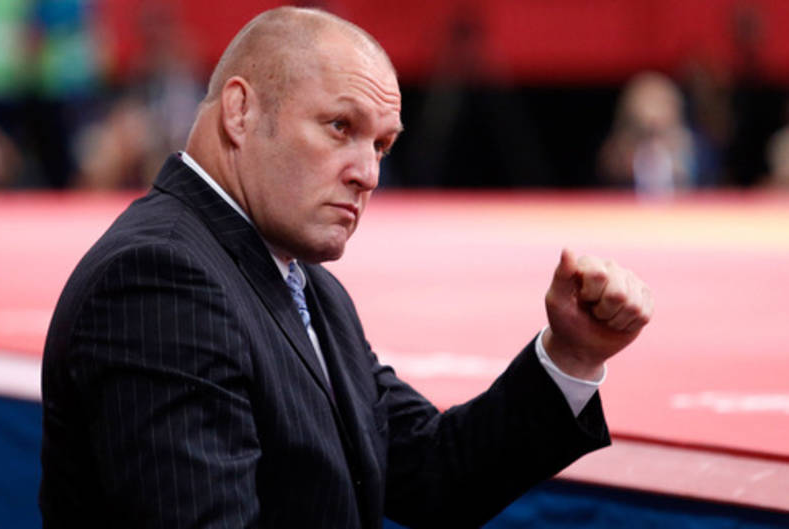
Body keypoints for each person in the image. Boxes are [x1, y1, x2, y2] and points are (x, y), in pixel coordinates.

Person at [39, 7, 653, 529]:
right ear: (240, 111)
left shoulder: (306, 283)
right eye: (341, 127)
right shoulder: (160, 278)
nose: (369, 174)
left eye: (382, 145)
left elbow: (431, 470)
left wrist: (570, 355)